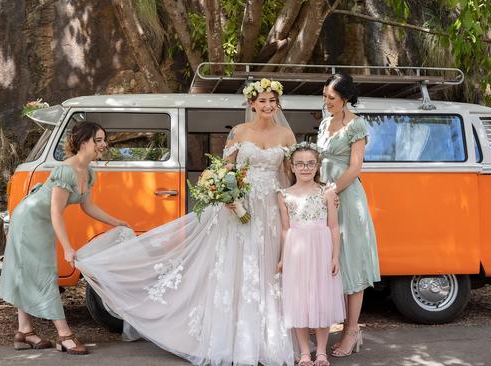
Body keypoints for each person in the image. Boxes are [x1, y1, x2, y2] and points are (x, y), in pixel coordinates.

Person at [75, 78, 297, 365]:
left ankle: (265, 341)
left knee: (266, 269)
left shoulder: (287, 136)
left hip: (269, 211)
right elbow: (225, 170)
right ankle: (234, 340)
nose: (268, 106)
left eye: (272, 100)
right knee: (236, 269)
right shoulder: (239, 133)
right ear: (251, 103)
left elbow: (292, 175)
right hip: (236, 208)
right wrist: (226, 195)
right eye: (262, 100)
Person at [0, 122, 129, 355]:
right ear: (83, 142)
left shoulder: (87, 172)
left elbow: (88, 206)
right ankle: (64, 334)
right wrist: (67, 248)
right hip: (29, 220)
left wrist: (116, 221)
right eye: (98, 140)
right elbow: (56, 211)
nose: (103, 145)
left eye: (103, 140)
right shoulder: (65, 170)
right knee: (44, 272)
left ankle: (24, 332)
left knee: (30, 271)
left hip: (42, 220)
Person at [316, 73, 380, 358]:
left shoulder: (357, 125)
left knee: (351, 264)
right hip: (324, 198)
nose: (327, 102)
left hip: (348, 199)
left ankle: (352, 330)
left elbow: (355, 167)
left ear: (345, 98)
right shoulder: (325, 122)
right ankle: (340, 326)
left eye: (331, 97)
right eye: (325, 97)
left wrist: (332, 191)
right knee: (331, 263)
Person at [277, 142, 346, 366]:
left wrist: (335, 256)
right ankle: (305, 352)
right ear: (292, 167)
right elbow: (285, 229)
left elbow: (334, 227)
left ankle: (322, 352)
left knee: (321, 299)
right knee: (300, 301)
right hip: (297, 251)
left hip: (321, 249)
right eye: (300, 164)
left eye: (310, 164)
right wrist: (282, 257)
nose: (305, 168)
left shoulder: (327, 192)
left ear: (317, 166)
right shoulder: (284, 195)